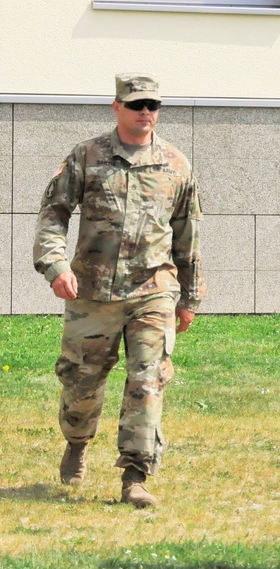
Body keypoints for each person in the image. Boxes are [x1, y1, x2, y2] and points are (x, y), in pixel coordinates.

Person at [33, 72, 205, 509]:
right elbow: (53, 214)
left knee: (148, 380)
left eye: (153, 105)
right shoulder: (86, 156)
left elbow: (188, 234)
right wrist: (55, 266)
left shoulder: (176, 164)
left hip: (153, 290)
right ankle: (76, 442)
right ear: (117, 107)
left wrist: (190, 297)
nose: (146, 112)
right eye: (136, 104)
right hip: (91, 293)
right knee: (81, 385)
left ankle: (136, 474)